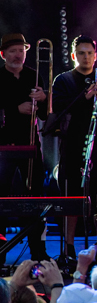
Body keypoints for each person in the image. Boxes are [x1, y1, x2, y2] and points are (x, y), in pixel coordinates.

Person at [51, 35, 97, 264]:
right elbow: (60, 109)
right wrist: (86, 97)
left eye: (90, 53)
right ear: (74, 56)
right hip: (72, 145)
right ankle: (69, 247)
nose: (86, 57)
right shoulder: (63, 81)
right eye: (81, 53)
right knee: (72, 196)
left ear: (96, 55)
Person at [0, 33, 49, 262]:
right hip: (4, 146)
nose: (18, 55)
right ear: (3, 55)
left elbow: (45, 115)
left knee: (35, 198)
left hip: (31, 145)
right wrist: (14, 109)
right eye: (12, 51)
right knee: (1, 198)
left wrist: (44, 98)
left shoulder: (34, 75)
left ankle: (38, 251)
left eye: (21, 50)